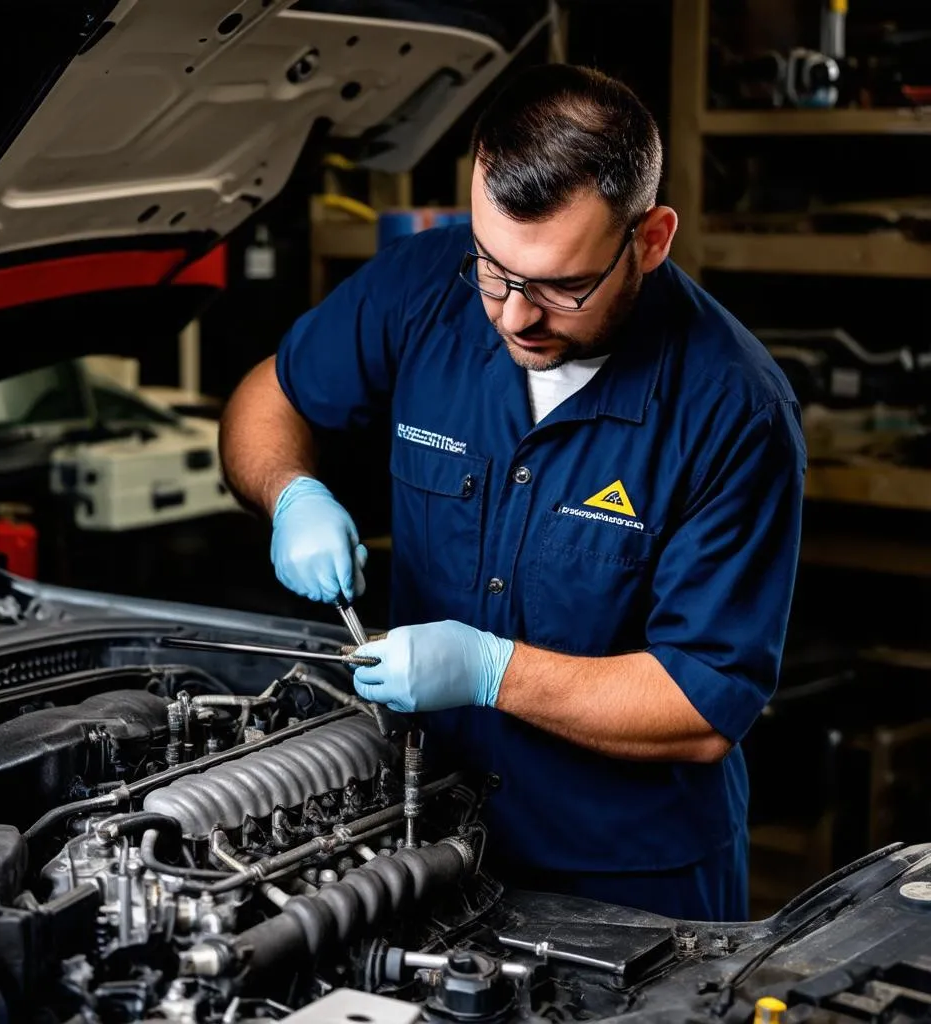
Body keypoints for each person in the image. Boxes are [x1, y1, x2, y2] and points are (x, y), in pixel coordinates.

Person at [219, 64, 806, 921]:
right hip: (420, 834)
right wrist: (290, 492)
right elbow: (267, 397)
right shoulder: (424, 286)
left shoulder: (733, 411)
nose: (513, 316)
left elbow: (700, 704)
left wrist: (490, 672)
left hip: (624, 883)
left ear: (649, 239)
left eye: (563, 287)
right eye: (494, 269)